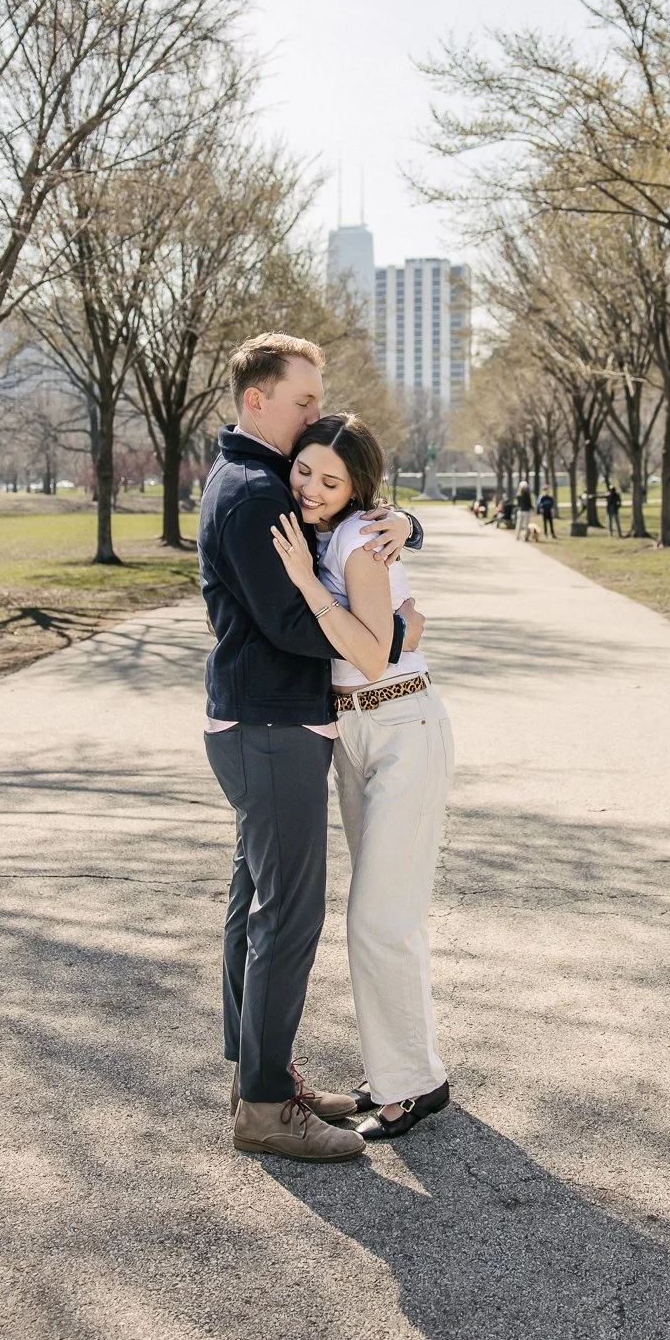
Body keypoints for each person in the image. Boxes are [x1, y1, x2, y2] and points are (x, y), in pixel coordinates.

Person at [199, 334, 424, 1164]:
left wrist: (404, 521)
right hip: (269, 727)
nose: (311, 417)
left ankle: (259, 1075)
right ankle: (263, 1106)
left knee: (255, 904)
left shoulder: (255, 480)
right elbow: (292, 624)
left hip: (261, 722)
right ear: (256, 399)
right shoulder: (256, 492)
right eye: (301, 402)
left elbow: (348, 514)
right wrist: (390, 633)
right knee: (286, 916)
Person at [272, 413, 454, 1143]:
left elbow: (375, 655)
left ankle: (412, 1085)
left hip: (401, 723)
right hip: (356, 729)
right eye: (304, 471)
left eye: (329, 479)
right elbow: (399, 625)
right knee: (385, 915)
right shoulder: (326, 532)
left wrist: (308, 590)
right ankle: (405, 1072)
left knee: (379, 917)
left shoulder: (355, 538)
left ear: (356, 489)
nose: (310, 487)